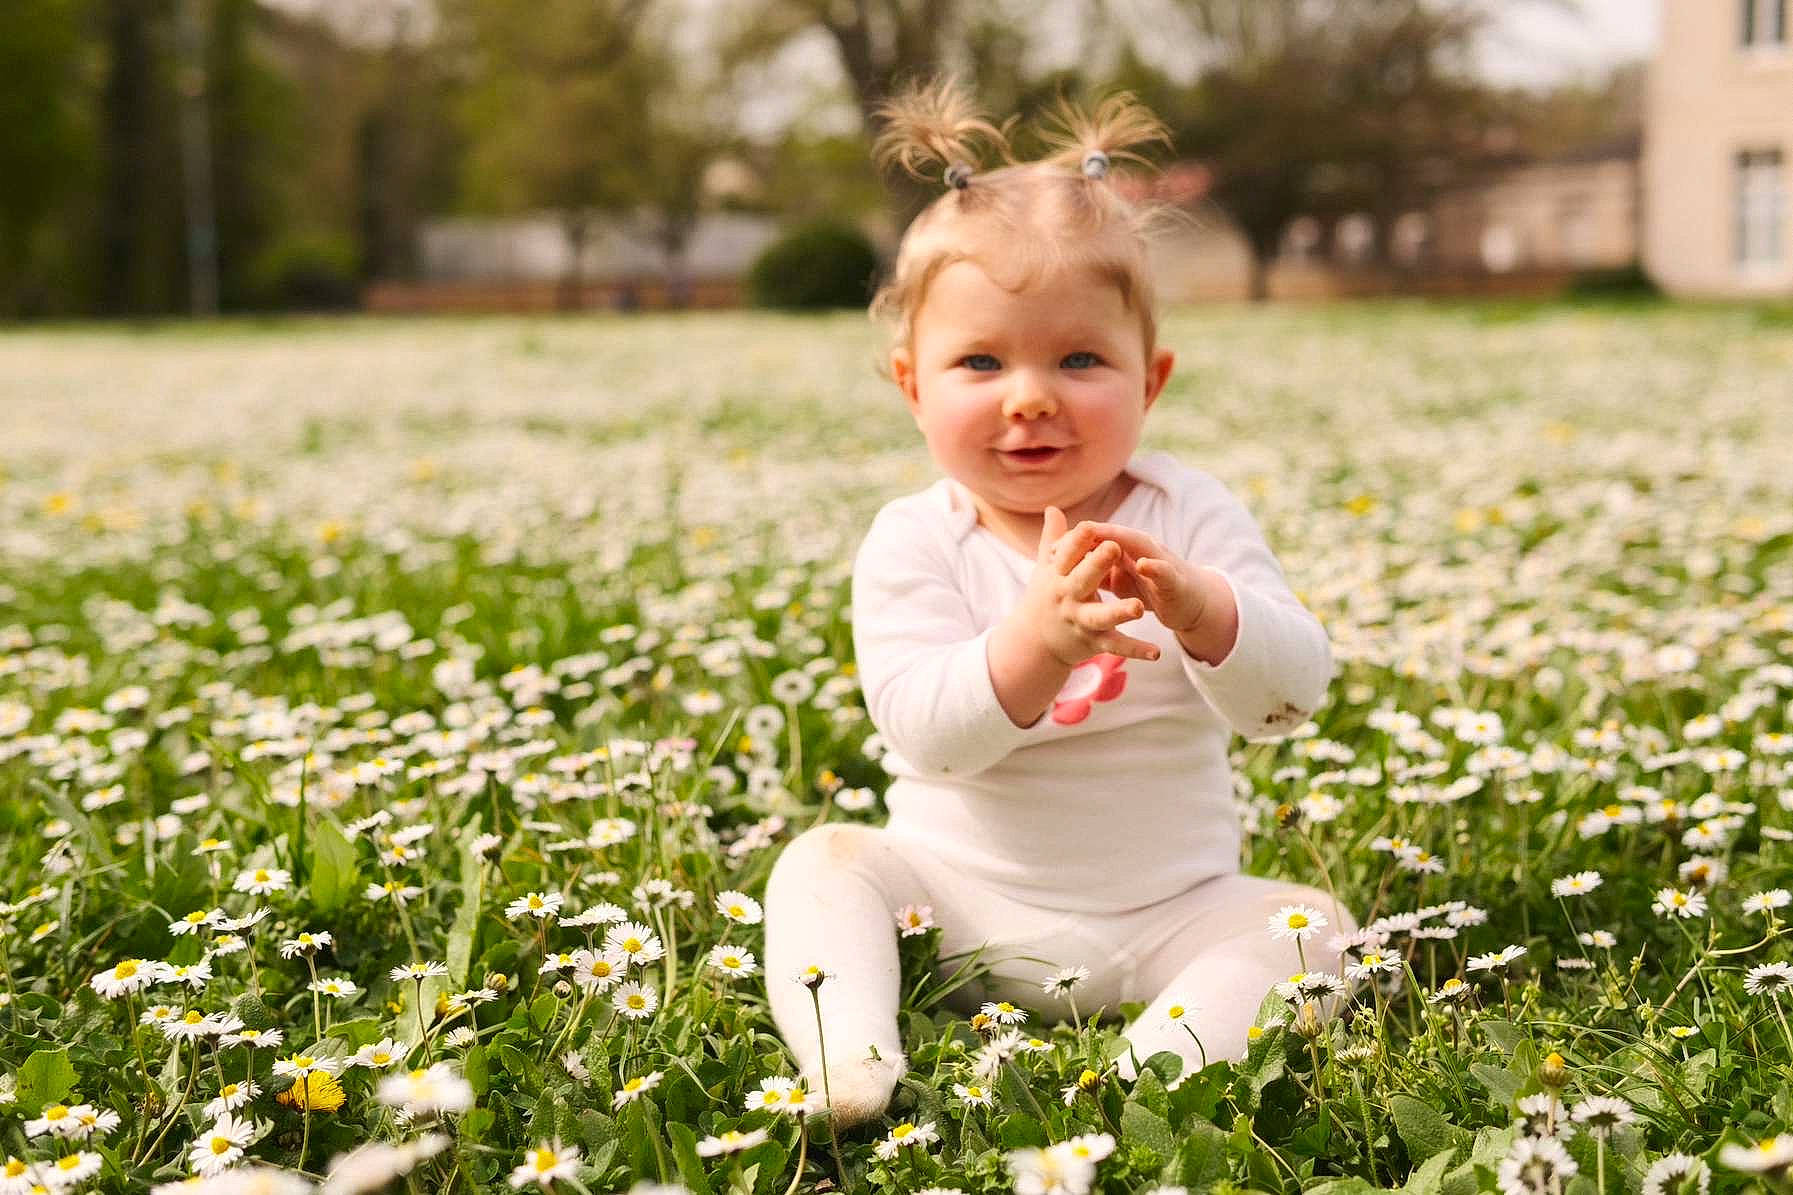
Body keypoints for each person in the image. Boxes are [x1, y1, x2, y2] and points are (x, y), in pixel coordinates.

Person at [762, 75, 1358, 1130]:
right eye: (979, 360)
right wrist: (1031, 643)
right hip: (952, 906)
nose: (1028, 394)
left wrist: (1204, 611)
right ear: (911, 384)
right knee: (821, 863)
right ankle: (847, 1060)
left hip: (1166, 912)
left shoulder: (1188, 516)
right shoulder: (913, 541)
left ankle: (1145, 1076)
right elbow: (924, 736)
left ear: (1150, 378)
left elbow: (1290, 696)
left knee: (1313, 931)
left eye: (1079, 358)